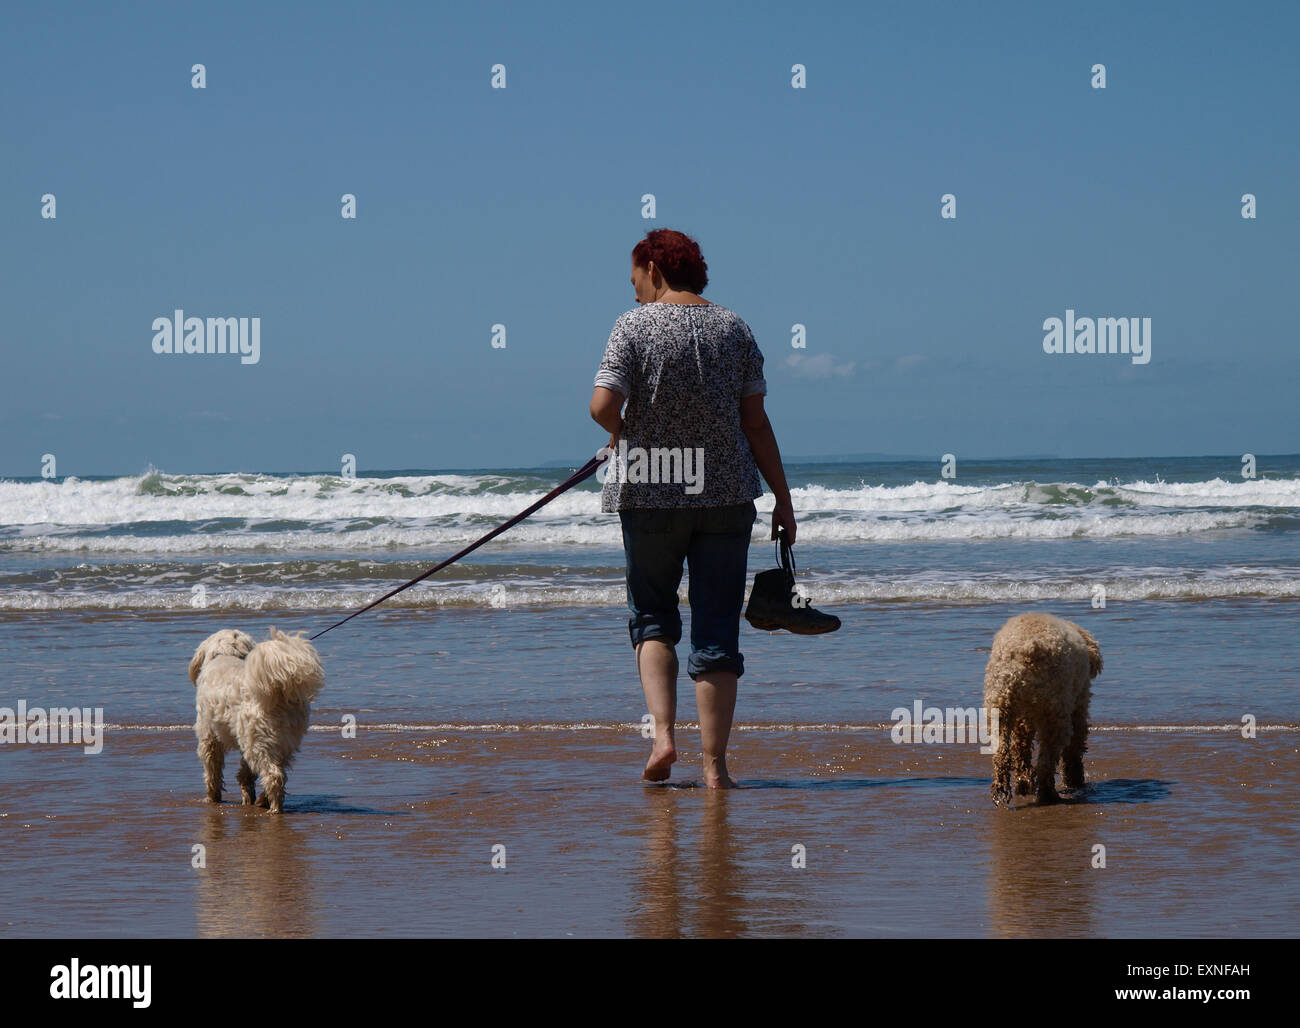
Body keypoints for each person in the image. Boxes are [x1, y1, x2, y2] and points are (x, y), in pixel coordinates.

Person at [589, 228, 796, 789]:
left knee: (653, 616)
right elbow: (755, 422)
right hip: (727, 494)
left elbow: (601, 405)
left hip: (651, 488)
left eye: (635, 278)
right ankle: (716, 767)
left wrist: (625, 434)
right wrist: (783, 496)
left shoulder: (632, 326)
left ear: (653, 268)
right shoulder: (735, 328)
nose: (633, 292)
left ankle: (662, 738)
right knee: (717, 630)